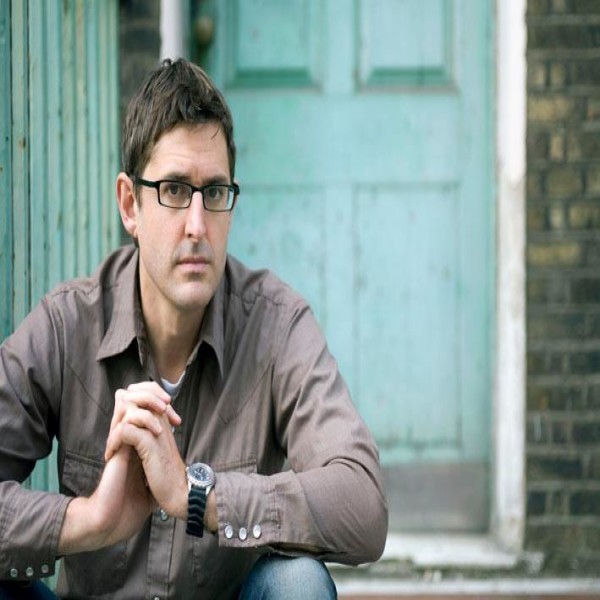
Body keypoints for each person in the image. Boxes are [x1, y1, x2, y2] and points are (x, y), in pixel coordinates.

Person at [0, 58, 388, 599]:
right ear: (130, 204)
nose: (198, 225)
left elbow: (363, 505)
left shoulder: (276, 326)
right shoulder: (68, 326)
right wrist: (89, 520)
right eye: (175, 190)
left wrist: (198, 495)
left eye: (215, 192)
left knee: (298, 583)